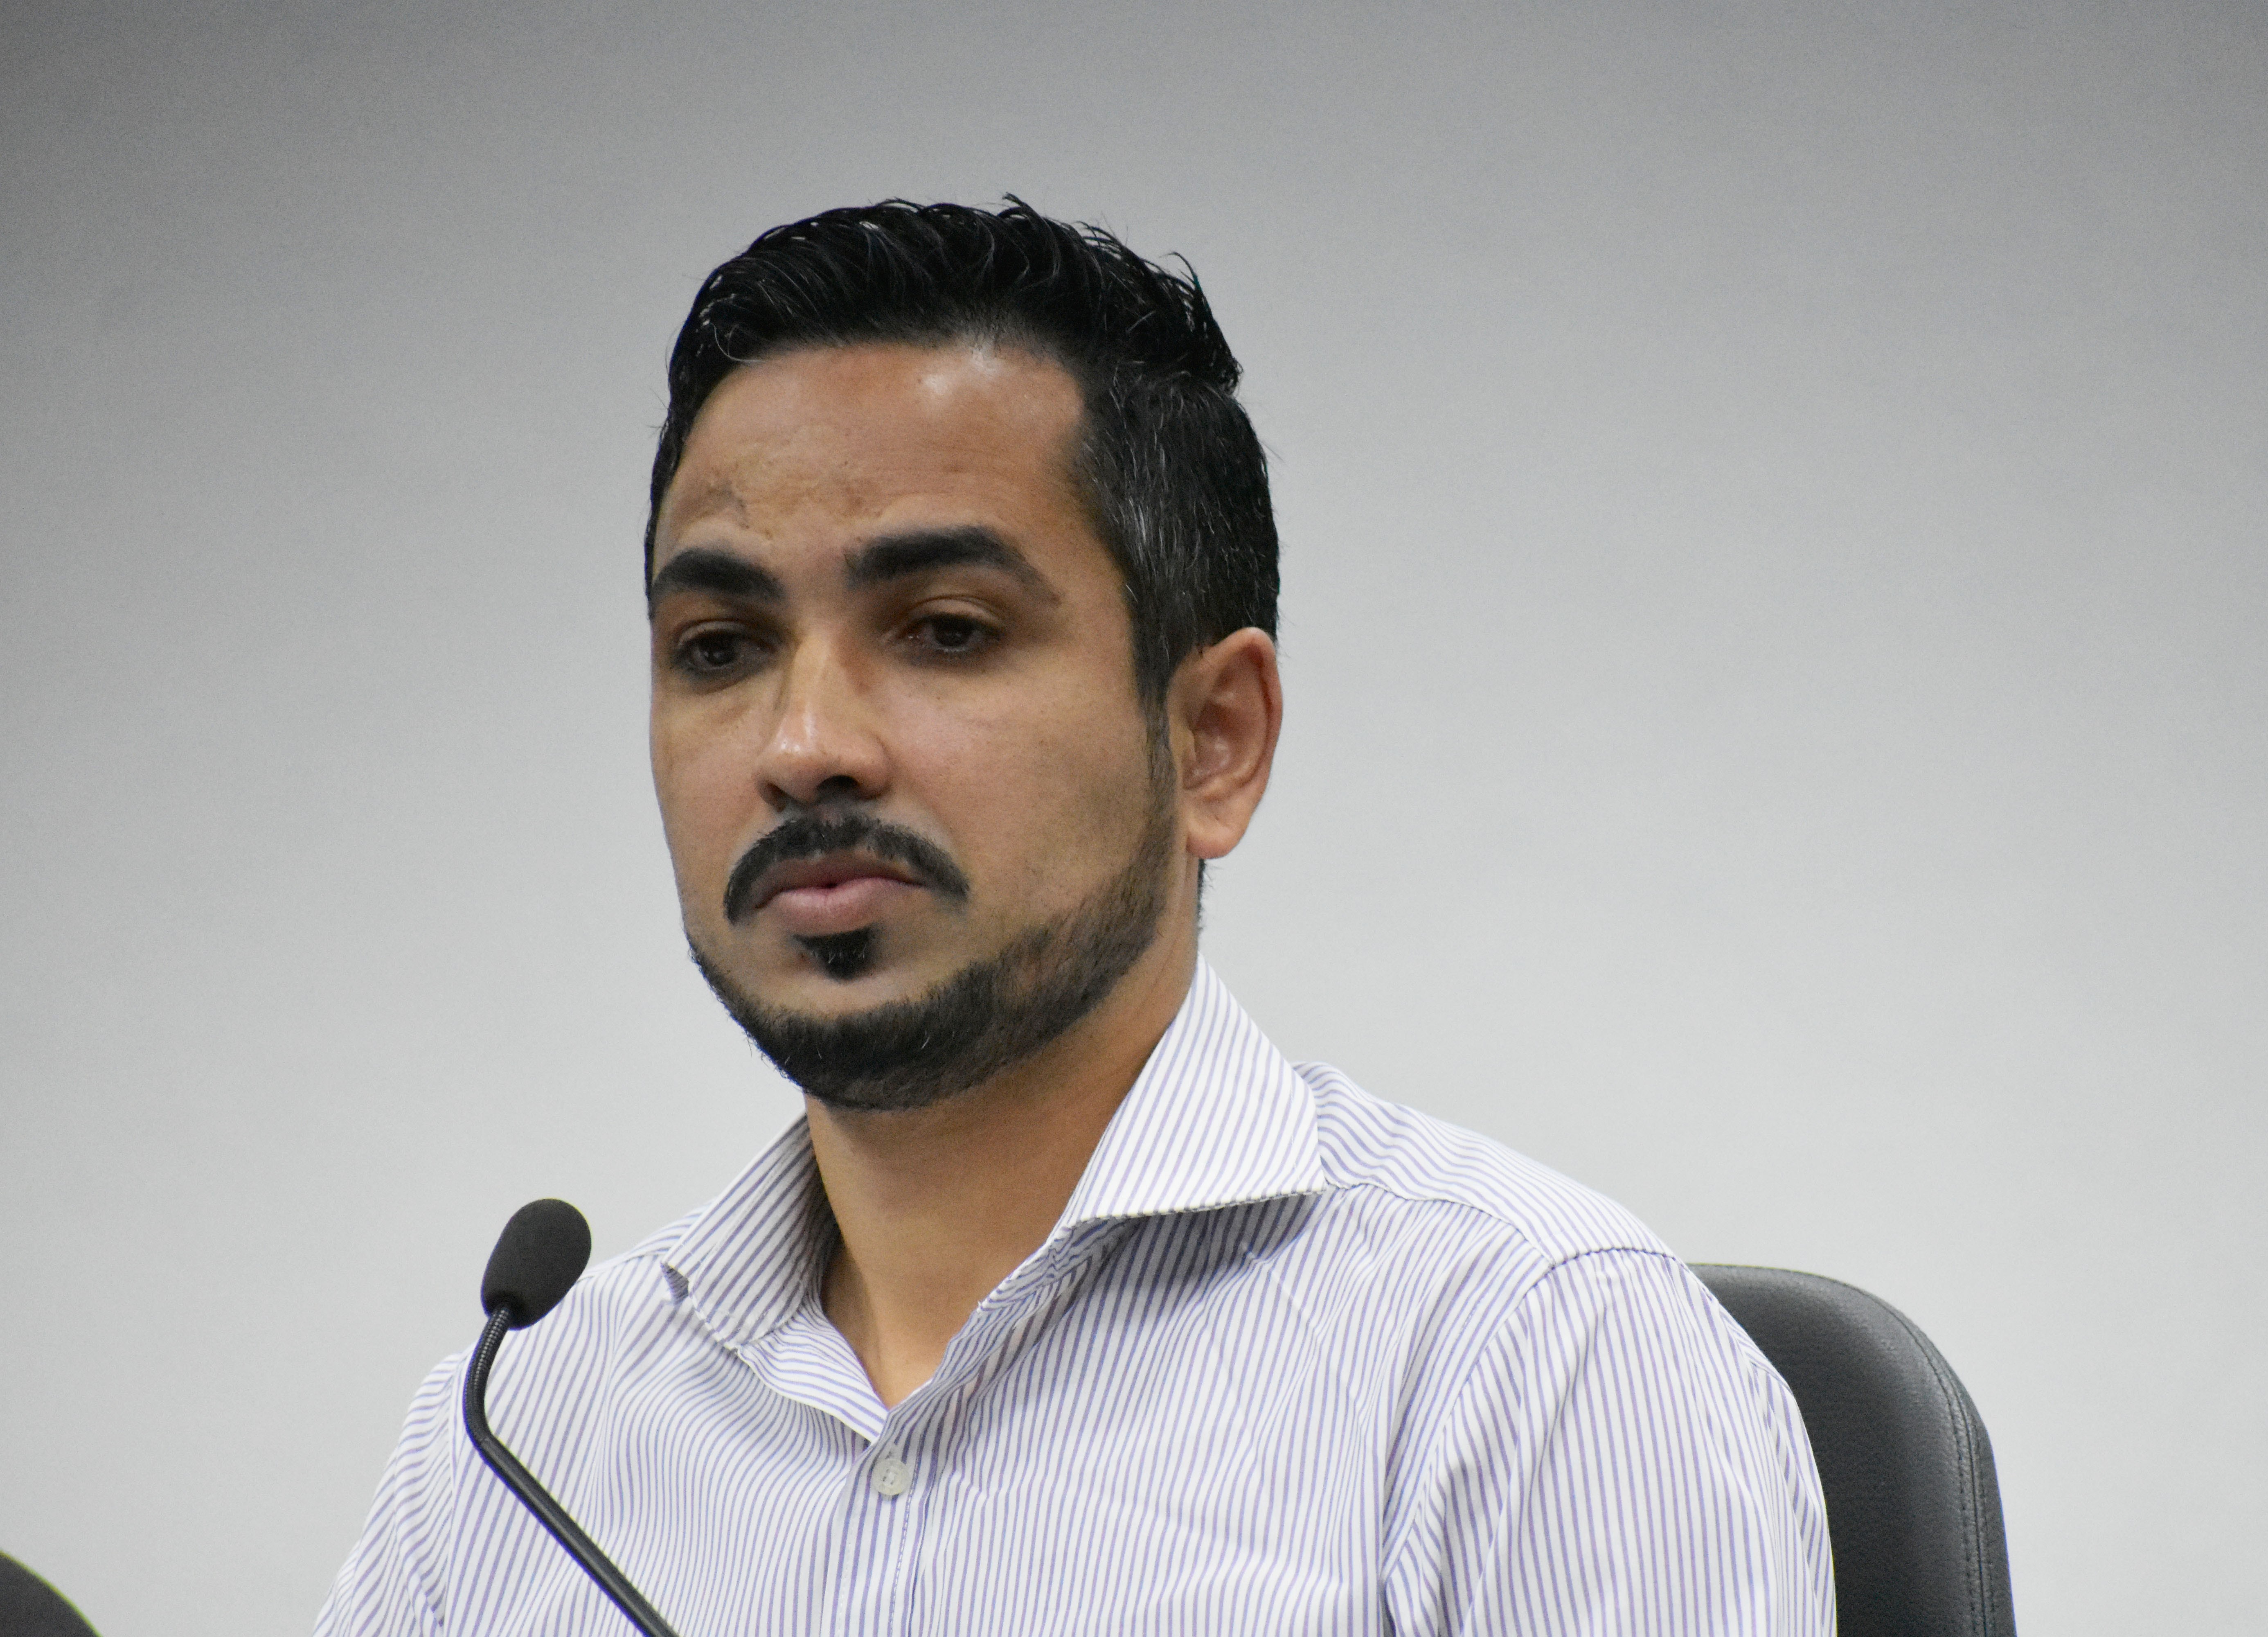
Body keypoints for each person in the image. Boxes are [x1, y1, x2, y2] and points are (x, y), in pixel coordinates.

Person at [318, 200, 1833, 1635]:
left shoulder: (1532, 1358)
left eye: (945, 631)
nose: (804, 745)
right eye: (719, 647)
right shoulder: (520, 1444)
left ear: (1213, 741)